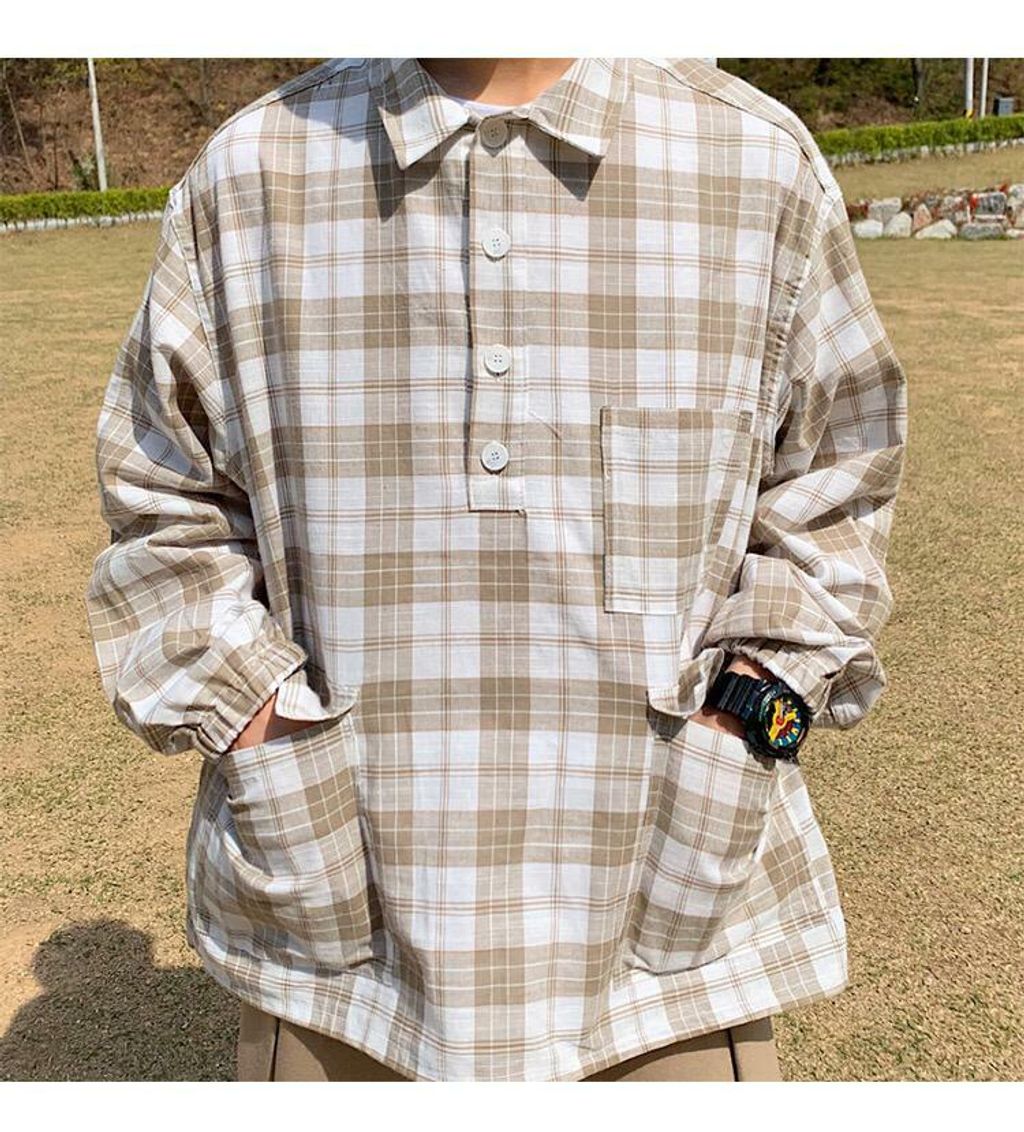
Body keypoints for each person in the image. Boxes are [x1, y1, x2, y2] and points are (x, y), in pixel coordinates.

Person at [84, 57, 908, 1082]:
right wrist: (257, 724)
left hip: (668, 970)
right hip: (340, 967)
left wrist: (750, 713)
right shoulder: (249, 175)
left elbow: (835, 486)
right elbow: (165, 503)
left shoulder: (754, 165)